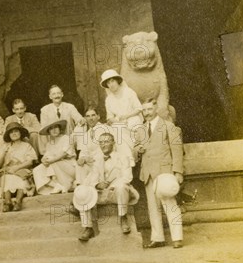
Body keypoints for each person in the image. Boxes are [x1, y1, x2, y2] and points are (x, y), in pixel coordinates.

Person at [134, 98, 184, 249]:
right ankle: (158, 238)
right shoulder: (140, 129)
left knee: (170, 204)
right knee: (153, 207)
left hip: (164, 171)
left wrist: (178, 171)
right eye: (144, 110)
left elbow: (177, 150)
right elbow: (136, 148)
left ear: (156, 109)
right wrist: (138, 150)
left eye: (149, 109)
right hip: (148, 173)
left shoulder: (168, 126)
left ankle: (177, 238)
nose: (147, 113)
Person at [73, 133, 140, 241]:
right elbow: (92, 177)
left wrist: (110, 185)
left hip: (116, 193)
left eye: (106, 141)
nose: (103, 145)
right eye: (101, 142)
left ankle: (123, 217)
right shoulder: (97, 159)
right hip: (102, 194)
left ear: (113, 143)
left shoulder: (122, 157)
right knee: (83, 192)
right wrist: (97, 185)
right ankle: (87, 227)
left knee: (122, 186)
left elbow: (127, 177)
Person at [101, 69, 142, 165]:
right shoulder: (109, 99)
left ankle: (129, 157)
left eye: (112, 81)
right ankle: (128, 158)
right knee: (118, 131)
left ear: (117, 81)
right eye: (108, 83)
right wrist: (117, 121)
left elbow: (138, 108)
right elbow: (109, 117)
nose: (111, 85)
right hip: (119, 123)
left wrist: (126, 116)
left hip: (133, 120)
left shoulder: (129, 92)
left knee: (129, 125)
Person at [0, 122, 38, 212]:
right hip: (8, 170)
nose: (14, 134)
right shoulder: (5, 146)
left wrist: (16, 168)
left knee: (20, 177)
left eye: (16, 131)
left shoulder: (26, 145)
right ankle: (8, 202)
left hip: (22, 169)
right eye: (11, 132)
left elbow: (30, 162)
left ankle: (18, 202)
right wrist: (3, 154)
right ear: (8, 135)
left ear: (20, 133)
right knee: (6, 176)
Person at [33, 119, 76, 195]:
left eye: (56, 127)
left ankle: (66, 184)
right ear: (49, 131)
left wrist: (51, 160)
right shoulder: (49, 144)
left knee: (53, 163)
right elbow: (46, 157)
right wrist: (43, 160)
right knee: (37, 169)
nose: (54, 130)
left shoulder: (66, 138)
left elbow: (64, 154)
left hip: (69, 166)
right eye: (51, 128)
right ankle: (56, 185)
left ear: (60, 128)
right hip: (55, 166)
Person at [71, 106, 112, 185]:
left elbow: (110, 147)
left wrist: (94, 157)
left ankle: (99, 184)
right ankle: (82, 189)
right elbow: (84, 150)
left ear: (98, 116)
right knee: (80, 165)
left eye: (93, 115)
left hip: (103, 160)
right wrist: (83, 158)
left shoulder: (105, 128)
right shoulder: (86, 134)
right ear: (85, 118)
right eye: (88, 116)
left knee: (99, 158)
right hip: (91, 162)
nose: (91, 118)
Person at [39, 85, 84, 154]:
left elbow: (79, 119)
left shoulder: (70, 107)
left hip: (69, 138)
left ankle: (81, 151)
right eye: (54, 94)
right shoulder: (45, 110)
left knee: (81, 128)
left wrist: (80, 122)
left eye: (58, 93)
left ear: (62, 94)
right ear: (50, 96)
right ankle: (47, 152)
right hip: (53, 140)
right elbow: (44, 128)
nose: (56, 96)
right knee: (40, 133)